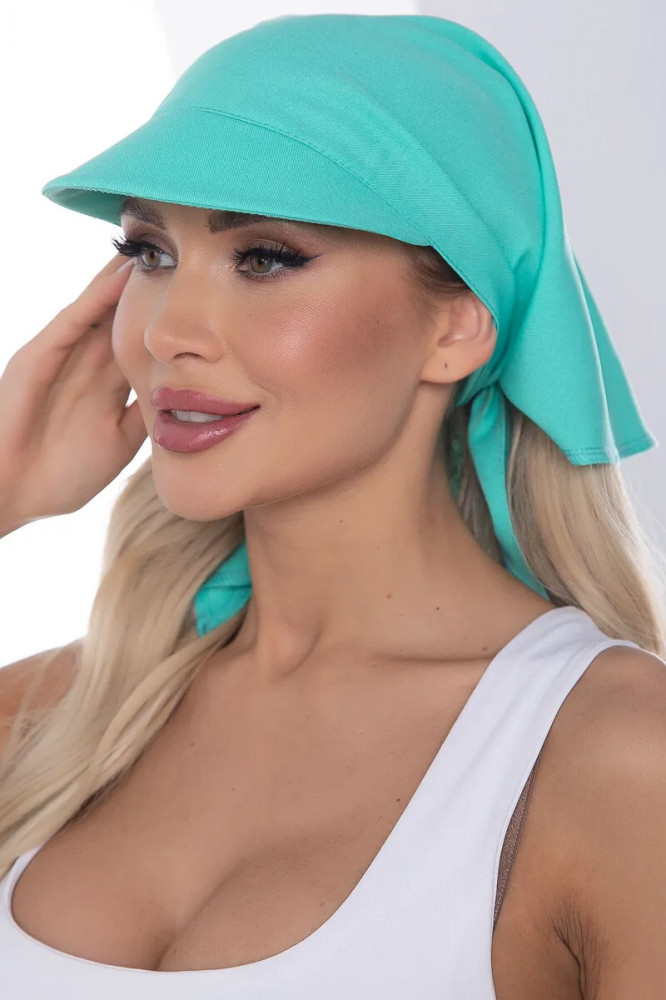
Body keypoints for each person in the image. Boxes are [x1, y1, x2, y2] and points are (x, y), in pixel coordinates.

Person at [1, 13, 665, 998]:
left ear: (457, 326)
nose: (169, 331)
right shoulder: (50, 720)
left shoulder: (615, 761)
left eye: (265, 257)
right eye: (150, 252)